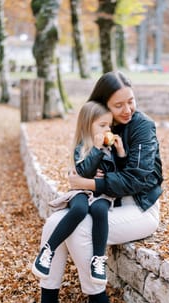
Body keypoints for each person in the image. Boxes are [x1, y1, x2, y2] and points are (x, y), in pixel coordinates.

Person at [29, 71, 163, 303]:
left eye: (131, 101)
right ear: (103, 106)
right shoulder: (99, 125)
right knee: (54, 222)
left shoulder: (142, 127)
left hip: (138, 208)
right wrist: (82, 176)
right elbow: (81, 162)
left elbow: (138, 179)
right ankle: (49, 301)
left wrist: (88, 184)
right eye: (118, 105)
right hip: (107, 204)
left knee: (79, 229)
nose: (127, 110)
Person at [32, 101, 127, 285]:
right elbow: (83, 171)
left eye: (109, 125)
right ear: (87, 125)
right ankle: (48, 250)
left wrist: (121, 153)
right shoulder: (82, 147)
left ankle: (98, 260)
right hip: (81, 191)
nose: (108, 129)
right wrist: (97, 150)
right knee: (79, 210)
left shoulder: (111, 149)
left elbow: (119, 174)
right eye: (102, 125)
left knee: (100, 211)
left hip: (102, 194)